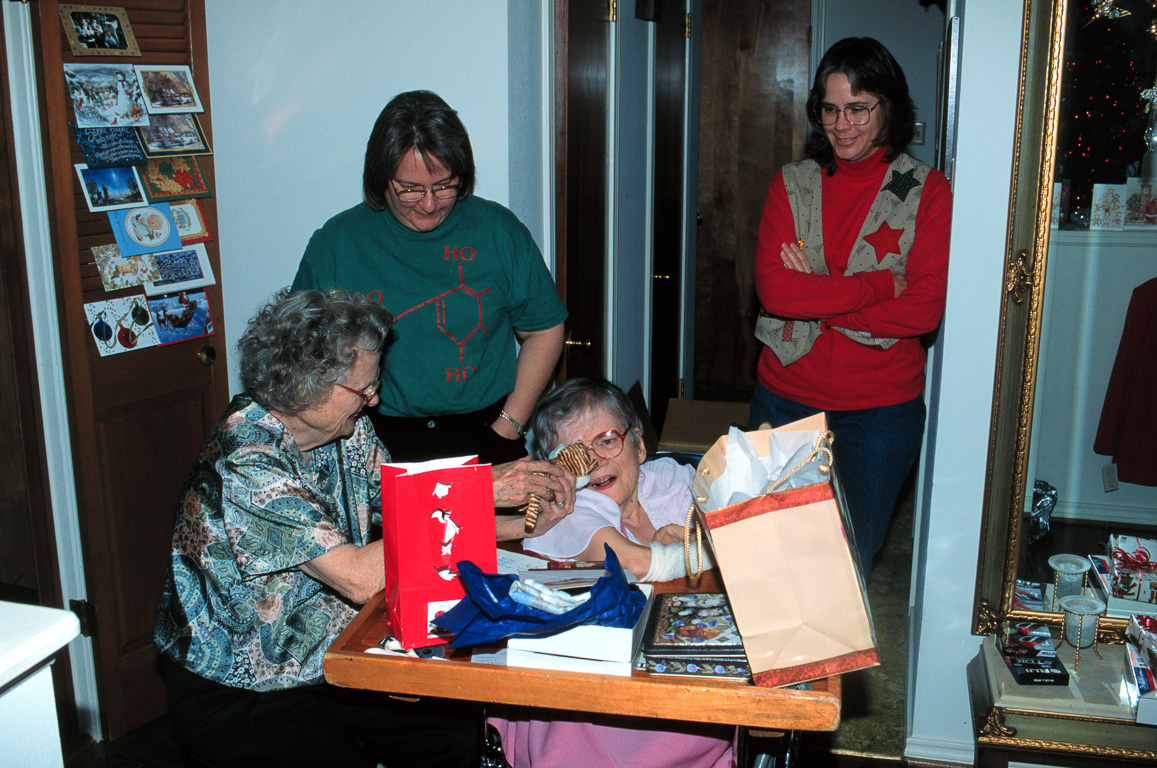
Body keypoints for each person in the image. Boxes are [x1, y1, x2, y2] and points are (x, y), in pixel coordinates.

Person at [152, 288, 569, 768]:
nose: (375, 398)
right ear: (310, 387)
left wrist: (522, 525)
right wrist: (477, 489)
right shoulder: (246, 460)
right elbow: (357, 577)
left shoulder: (344, 428)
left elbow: (408, 514)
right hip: (240, 684)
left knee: (450, 733)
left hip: (325, 654)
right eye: (365, 387)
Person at [749, 37, 951, 577]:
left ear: (889, 106)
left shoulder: (929, 193)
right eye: (831, 109)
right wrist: (878, 285)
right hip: (786, 402)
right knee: (768, 561)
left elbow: (923, 311)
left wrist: (816, 286)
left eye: (858, 108)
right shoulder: (792, 185)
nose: (842, 125)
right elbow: (777, 293)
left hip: (879, 413)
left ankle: (822, 669)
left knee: (844, 570)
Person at [292, 89, 567, 470]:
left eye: (444, 185)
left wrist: (509, 426)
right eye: (409, 189)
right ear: (381, 178)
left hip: (487, 432)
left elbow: (546, 329)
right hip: (373, 441)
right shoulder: (336, 243)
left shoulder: (499, 231)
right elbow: (301, 354)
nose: (429, 203)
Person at [491, 378, 731, 768]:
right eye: (575, 455)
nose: (597, 462)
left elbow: (737, 528)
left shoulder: (667, 479)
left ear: (637, 444)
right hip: (597, 705)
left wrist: (702, 540)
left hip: (681, 674)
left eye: (606, 441)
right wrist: (697, 550)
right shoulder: (566, 511)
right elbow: (637, 564)